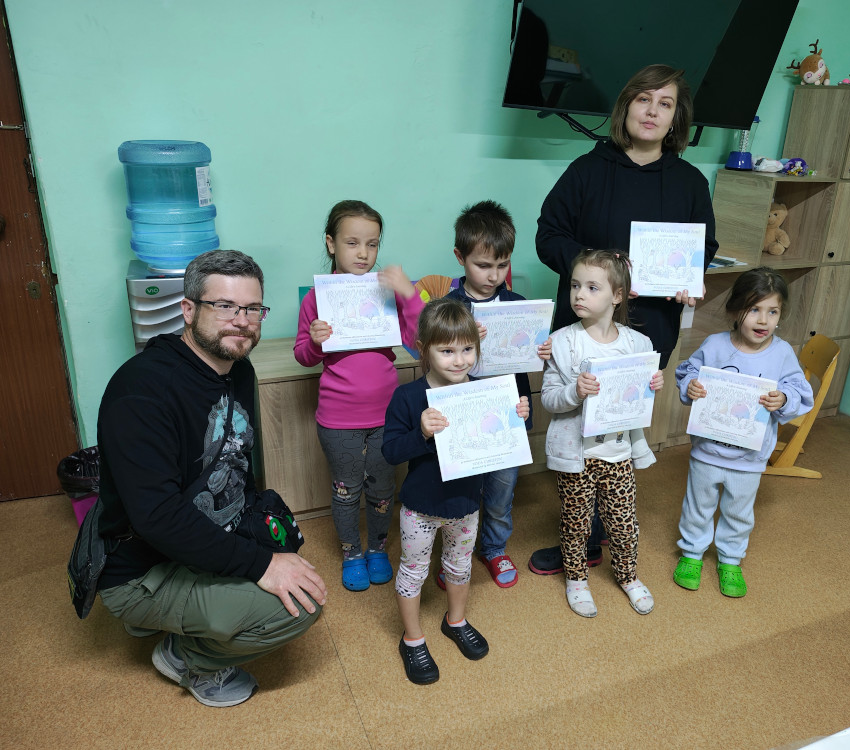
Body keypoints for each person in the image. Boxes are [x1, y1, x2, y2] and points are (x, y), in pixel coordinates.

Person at [96, 249, 327, 708]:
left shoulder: (237, 368)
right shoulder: (141, 391)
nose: (241, 321)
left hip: (198, 529)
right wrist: (260, 565)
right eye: (224, 306)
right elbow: (157, 517)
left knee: (288, 551)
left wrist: (265, 536)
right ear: (188, 309)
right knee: (301, 608)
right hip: (140, 566)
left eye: (252, 309)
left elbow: (237, 460)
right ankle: (186, 657)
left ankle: (174, 615)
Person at [531, 63, 719, 575]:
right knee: (576, 427)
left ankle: (601, 534)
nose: (653, 111)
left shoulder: (689, 182)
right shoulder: (587, 169)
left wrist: (690, 278)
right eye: (644, 99)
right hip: (584, 330)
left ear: (676, 117)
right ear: (626, 106)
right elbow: (548, 235)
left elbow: (703, 248)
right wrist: (598, 271)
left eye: (665, 103)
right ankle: (581, 536)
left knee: (617, 432)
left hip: (649, 329)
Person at [383, 298, 530, 684]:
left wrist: (515, 417)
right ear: (424, 350)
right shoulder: (408, 397)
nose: (459, 360)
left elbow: (499, 440)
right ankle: (412, 639)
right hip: (419, 507)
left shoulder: (486, 392)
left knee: (460, 566)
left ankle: (456, 620)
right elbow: (390, 451)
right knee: (413, 571)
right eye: (446, 351)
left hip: (466, 505)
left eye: (467, 349)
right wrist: (421, 432)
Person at [294, 200, 423, 592]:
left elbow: (421, 341)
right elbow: (303, 355)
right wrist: (315, 342)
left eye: (372, 244)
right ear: (331, 244)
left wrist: (409, 294)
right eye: (352, 243)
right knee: (346, 491)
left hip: (387, 416)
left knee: (382, 491)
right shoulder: (316, 298)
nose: (364, 253)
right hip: (338, 420)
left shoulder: (387, 291)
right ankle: (351, 554)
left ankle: (378, 550)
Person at [674, 267, 813, 597]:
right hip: (707, 451)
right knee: (698, 506)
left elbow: (800, 391)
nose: (763, 320)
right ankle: (692, 554)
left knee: (738, 512)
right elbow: (687, 371)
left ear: (781, 314)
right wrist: (691, 386)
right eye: (754, 309)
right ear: (736, 310)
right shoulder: (715, 345)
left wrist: (784, 398)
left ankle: (730, 560)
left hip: (750, 456)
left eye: (773, 311)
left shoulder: (782, 353)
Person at [541, 249, 664, 617]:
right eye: (575, 285)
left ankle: (628, 575)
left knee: (624, 524)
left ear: (617, 295)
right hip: (577, 455)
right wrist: (574, 391)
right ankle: (576, 579)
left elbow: (637, 399)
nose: (579, 294)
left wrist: (652, 385)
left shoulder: (637, 344)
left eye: (592, 287)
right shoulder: (562, 342)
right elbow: (549, 399)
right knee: (576, 523)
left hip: (618, 454)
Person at [442, 199, 551, 588]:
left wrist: (543, 351)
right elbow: (432, 363)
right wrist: (462, 337)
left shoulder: (519, 307)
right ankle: (455, 555)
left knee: (502, 490)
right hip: (463, 418)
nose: (493, 276)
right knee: (461, 490)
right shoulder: (448, 310)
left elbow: (529, 360)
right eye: (483, 265)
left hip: (509, 415)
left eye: (502, 265)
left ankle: (493, 548)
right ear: (460, 258)